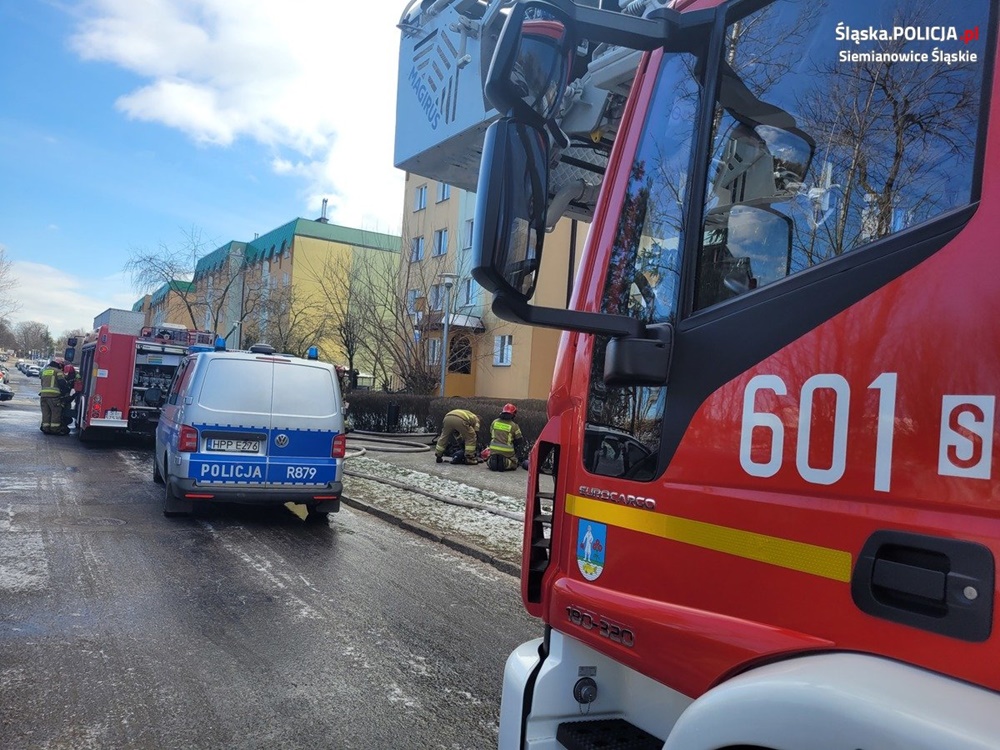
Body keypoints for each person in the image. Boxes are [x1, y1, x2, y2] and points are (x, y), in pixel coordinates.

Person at [486, 403, 527, 471]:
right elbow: (519, 440)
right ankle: (505, 462)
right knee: (514, 464)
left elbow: (491, 433)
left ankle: (491, 462)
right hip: (507, 451)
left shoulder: (494, 422)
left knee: (490, 459)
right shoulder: (514, 426)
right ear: (513, 414)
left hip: (493, 449)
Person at [39, 358, 67, 435]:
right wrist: (65, 391)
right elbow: (62, 383)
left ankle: (46, 428)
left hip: (43, 395)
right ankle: (55, 429)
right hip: (54, 396)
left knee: (46, 413)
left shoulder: (44, 371)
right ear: (59, 365)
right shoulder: (58, 371)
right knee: (56, 412)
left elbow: (42, 382)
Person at [61, 364, 80, 431]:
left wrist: (75, 394)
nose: (67, 375)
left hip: (70, 392)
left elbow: (78, 383)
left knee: (66, 406)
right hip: (66, 393)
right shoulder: (63, 374)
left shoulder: (76, 375)